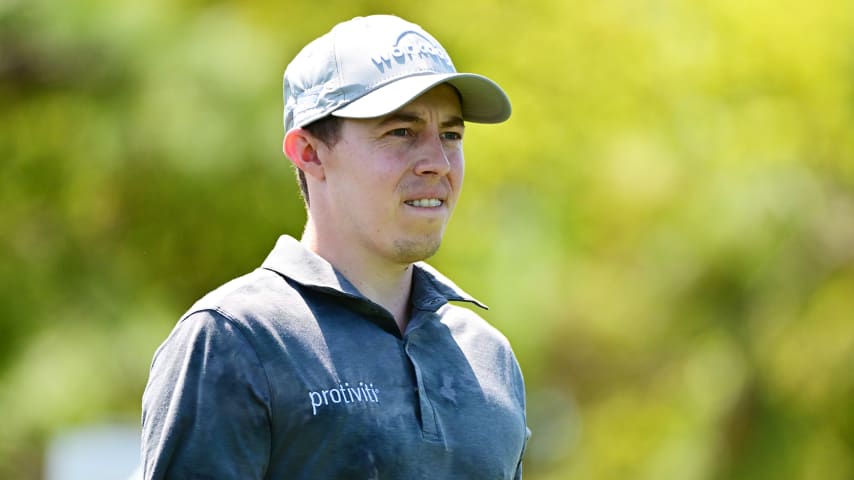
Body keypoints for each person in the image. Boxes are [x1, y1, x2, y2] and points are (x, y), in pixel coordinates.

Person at [141, 14, 530, 479]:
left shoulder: (489, 356)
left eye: (451, 134)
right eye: (400, 133)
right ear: (309, 152)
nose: (438, 162)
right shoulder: (237, 339)